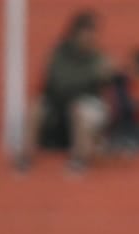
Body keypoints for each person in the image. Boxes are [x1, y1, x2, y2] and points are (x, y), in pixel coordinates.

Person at [16, 9, 115, 174]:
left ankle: (79, 160)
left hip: (86, 106)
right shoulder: (58, 54)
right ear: (74, 34)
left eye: (93, 33)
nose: (90, 38)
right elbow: (58, 82)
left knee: (79, 109)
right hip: (58, 102)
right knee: (36, 106)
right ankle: (25, 157)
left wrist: (108, 75)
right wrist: (91, 75)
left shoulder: (99, 57)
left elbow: (105, 91)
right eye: (86, 33)